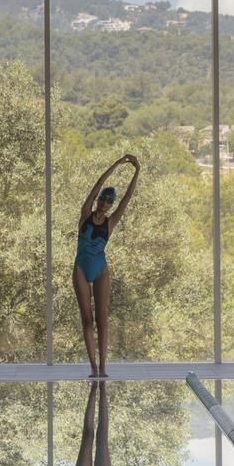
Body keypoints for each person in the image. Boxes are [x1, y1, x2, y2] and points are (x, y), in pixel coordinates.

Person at [73, 153, 139, 377]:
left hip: (100, 269)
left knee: (102, 319)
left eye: (109, 201)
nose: (105, 203)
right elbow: (97, 183)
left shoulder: (111, 221)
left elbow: (128, 198)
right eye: (103, 199)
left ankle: (103, 367)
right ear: (98, 199)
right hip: (81, 268)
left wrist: (137, 170)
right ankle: (93, 367)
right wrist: (118, 164)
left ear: (111, 205)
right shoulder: (85, 215)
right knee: (86, 318)